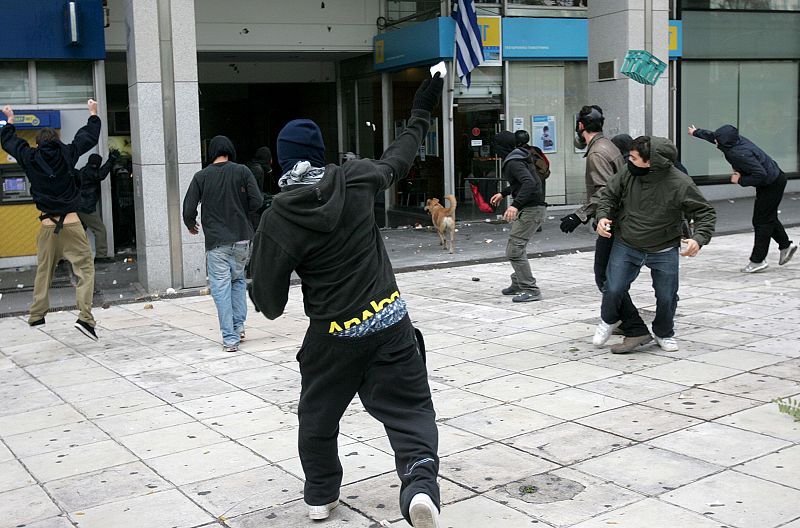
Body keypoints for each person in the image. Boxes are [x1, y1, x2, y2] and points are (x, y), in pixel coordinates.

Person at [248, 74, 444, 528]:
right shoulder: (356, 179)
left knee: (317, 418)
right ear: (321, 156)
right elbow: (399, 156)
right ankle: (419, 484)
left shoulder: (279, 217)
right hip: (389, 321)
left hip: (334, 335)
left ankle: (320, 496)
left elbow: (270, 303)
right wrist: (421, 109)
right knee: (411, 411)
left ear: (283, 160)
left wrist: (262, 266)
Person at [594, 136, 716, 353]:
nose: (628, 161)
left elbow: (704, 212)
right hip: (627, 242)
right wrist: (603, 216)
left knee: (667, 295)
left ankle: (664, 331)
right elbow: (608, 195)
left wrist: (698, 239)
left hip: (664, 246)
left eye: (634, 158)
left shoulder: (680, 183)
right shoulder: (627, 172)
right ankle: (608, 319)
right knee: (613, 287)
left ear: (651, 162)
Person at [1, 100, 101, 340]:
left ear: (37, 142)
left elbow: (10, 142)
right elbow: (88, 138)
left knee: (44, 271)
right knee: (85, 270)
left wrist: (10, 121)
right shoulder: (67, 153)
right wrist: (93, 114)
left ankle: (37, 314)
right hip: (72, 223)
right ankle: (85, 319)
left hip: (47, 225)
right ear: (56, 139)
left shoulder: (30, 157)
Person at [561, 107, 652, 354]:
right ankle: (624, 321)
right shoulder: (608, 146)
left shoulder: (598, 153)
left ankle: (636, 329)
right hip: (619, 220)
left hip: (611, 223)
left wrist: (577, 216)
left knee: (606, 278)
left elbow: (603, 192)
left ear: (581, 126)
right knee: (613, 277)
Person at [182, 135, 262, 352]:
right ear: (230, 151)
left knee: (220, 288)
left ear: (211, 153)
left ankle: (230, 338)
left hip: (217, 241)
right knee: (238, 281)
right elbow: (257, 201)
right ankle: (239, 326)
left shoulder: (202, 176)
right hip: (242, 238)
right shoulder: (243, 171)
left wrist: (191, 224)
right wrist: (241, 212)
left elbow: (189, 208)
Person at [688, 124, 797, 272]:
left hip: (772, 183)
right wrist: (696, 132)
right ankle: (785, 245)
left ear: (726, 142)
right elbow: (713, 136)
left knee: (761, 221)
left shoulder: (738, 152)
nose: (716, 142)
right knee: (767, 217)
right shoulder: (732, 140)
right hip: (774, 178)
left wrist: (739, 180)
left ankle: (758, 261)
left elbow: (760, 175)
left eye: (718, 140)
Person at [490, 130, 547, 303]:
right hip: (532, 208)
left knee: (515, 249)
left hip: (532, 209)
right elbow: (520, 182)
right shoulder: (520, 156)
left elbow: (529, 183)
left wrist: (515, 205)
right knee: (515, 246)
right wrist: (504, 193)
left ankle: (530, 289)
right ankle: (518, 283)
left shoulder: (514, 161)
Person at [76, 151, 119, 262]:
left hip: (80, 206)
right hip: (86, 207)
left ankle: (69, 255)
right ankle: (101, 255)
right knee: (100, 230)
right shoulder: (90, 172)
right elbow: (101, 175)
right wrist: (111, 160)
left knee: (78, 232)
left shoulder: (83, 170)